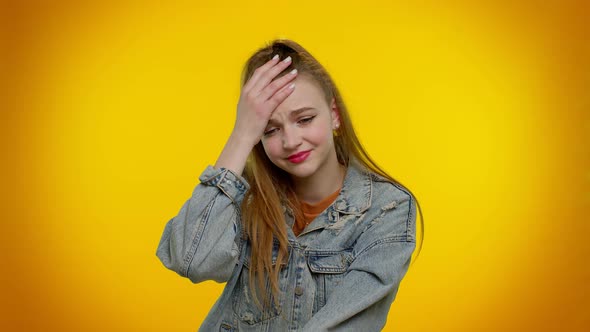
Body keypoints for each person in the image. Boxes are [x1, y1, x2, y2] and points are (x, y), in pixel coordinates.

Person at [156, 39, 424, 331]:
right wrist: (241, 135)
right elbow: (191, 260)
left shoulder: (388, 208)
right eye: (270, 130)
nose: (290, 141)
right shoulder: (245, 198)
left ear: (334, 114)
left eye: (305, 119)